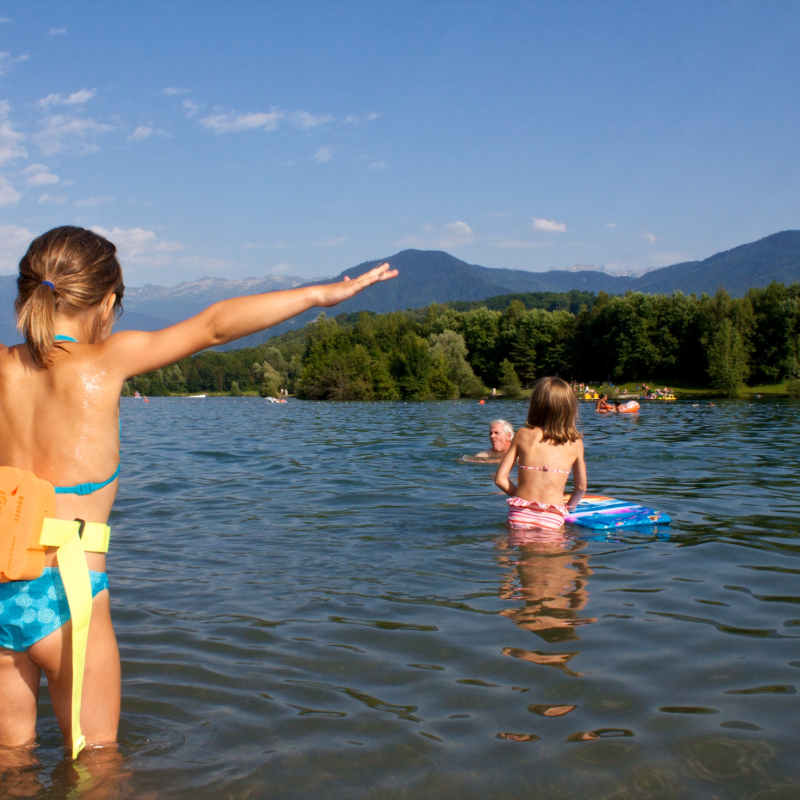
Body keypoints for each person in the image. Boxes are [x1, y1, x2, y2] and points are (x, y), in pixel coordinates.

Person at [0, 226, 397, 758]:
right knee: (96, 766)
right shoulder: (108, 362)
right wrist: (321, 293)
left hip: (4, 587)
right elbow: (213, 327)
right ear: (108, 302)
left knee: (11, 761)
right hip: (70, 598)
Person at [495, 377, 587, 530]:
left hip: (519, 514)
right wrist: (569, 508)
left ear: (536, 405)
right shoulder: (575, 443)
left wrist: (521, 498)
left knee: (521, 550)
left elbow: (500, 479)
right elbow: (581, 487)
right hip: (552, 517)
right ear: (569, 408)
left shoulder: (523, 434)